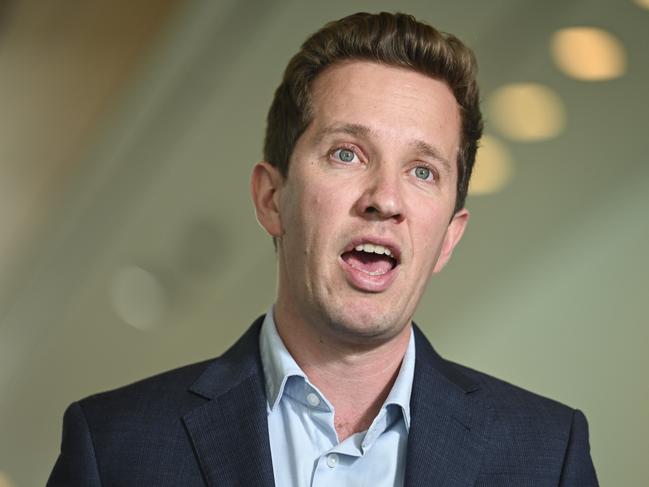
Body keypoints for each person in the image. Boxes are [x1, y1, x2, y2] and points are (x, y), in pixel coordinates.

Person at [48, 12, 598, 487]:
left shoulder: (547, 455)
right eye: (347, 154)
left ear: (449, 236)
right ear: (271, 197)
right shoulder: (115, 447)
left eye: (422, 170)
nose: (385, 199)